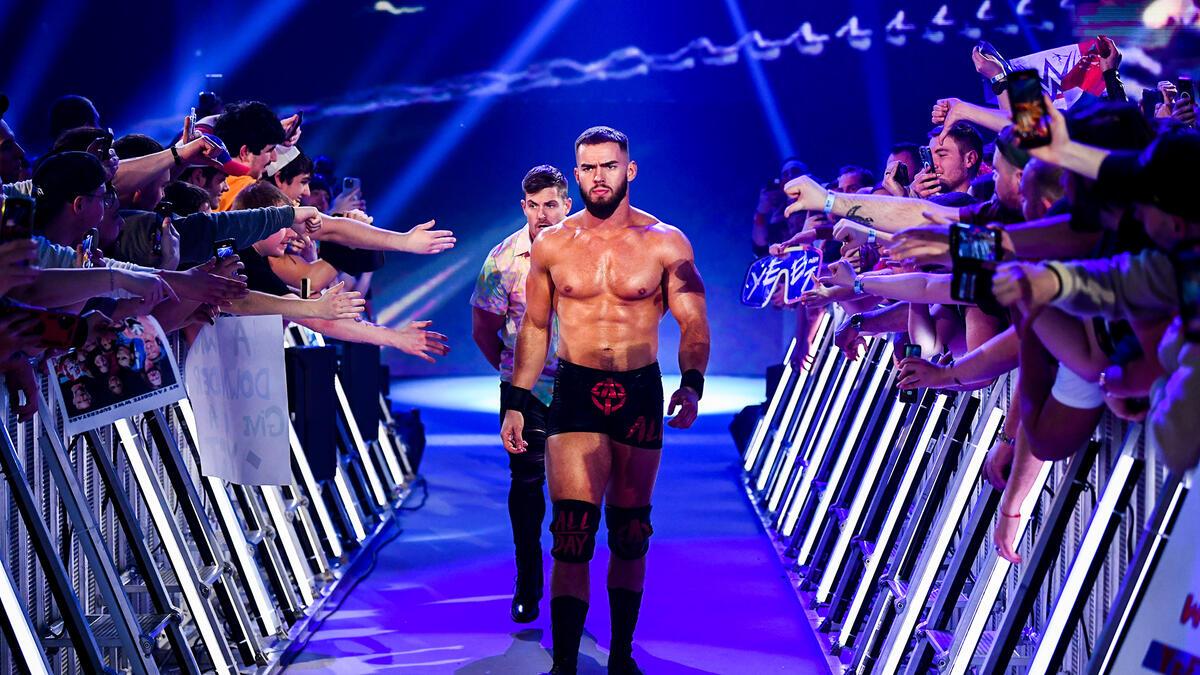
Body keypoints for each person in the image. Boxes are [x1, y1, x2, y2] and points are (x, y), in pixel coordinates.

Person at [500, 126, 710, 675]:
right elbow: (535, 329)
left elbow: (693, 321)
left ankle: (620, 657)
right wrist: (516, 399)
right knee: (571, 531)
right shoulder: (552, 245)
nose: (599, 177)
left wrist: (693, 382)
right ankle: (565, 665)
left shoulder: (666, 242)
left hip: (640, 391)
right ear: (577, 175)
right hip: (574, 392)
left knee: (631, 531)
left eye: (609, 166)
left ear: (629, 170)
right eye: (589, 168)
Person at [470, 164, 571, 624]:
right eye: (534, 205)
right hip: (524, 393)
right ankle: (528, 585)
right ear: (523, 206)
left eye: (551, 204)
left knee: (577, 492)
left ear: (566, 204)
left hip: (580, 386)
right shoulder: (502, 258)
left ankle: (573, 587)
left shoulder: (592, 249)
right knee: (528, 488)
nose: (543, 214)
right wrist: (516, 379)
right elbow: (484, 329)